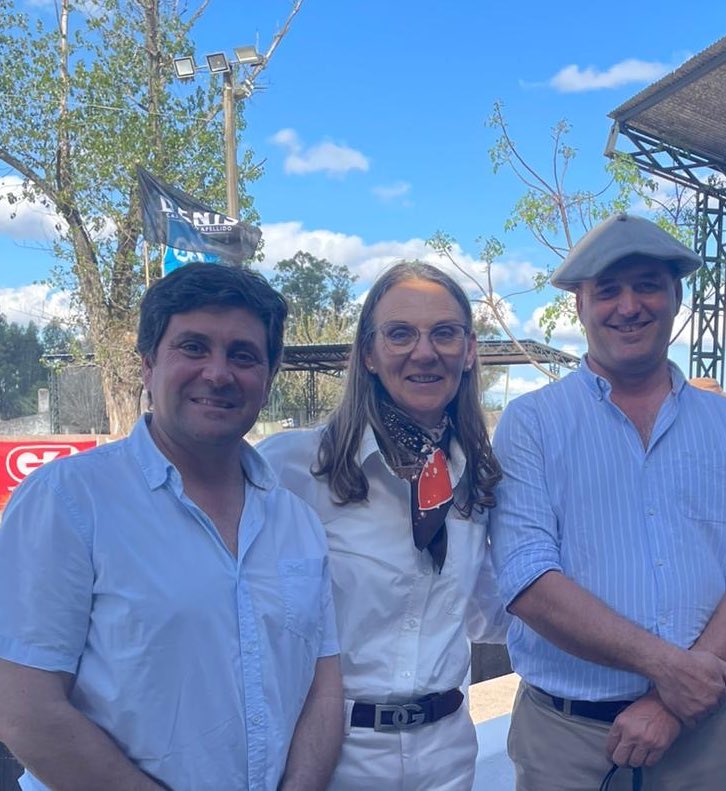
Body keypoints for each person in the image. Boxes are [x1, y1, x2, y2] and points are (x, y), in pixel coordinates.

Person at [0, 263, 343, 791]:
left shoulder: (295, 520)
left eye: (244, 355)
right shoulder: (66, 502)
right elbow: (25, 709)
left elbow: (322, 688)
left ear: (269, 378)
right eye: (193, 347)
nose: (219, 373)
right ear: (147, 364)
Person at [489, 213, 726, 791]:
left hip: (703, 735)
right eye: (608, 290)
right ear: (579, 304)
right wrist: (669, 671)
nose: (629, 306)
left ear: (677, 297)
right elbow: (527, 579)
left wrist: (671, 703)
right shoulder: (533, 423)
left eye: (648, 284)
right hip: (569, 743)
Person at [259, 261, 508, 791]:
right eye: (400, 334)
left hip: (447, 758)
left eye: (445, 333)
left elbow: (492, 614)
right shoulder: (292, 470)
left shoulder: (474, 479)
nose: (425, 351)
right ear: (368, 354)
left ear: (467, 352)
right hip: (334, 759)